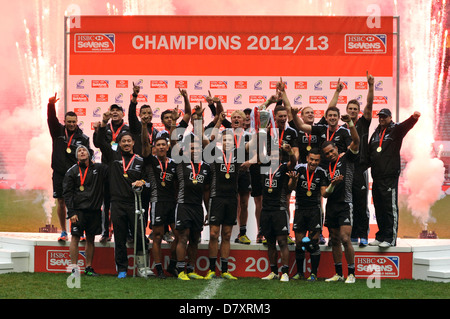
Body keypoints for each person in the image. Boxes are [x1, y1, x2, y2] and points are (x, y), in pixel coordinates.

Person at [95, 110, 148, 279]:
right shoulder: (112, 156)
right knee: (119, 237)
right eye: (123, 141)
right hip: (117, 203)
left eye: (129, 141)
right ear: (119, 143)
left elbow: (148, 181)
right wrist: (103, 123)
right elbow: (100, 142)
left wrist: (143, 182)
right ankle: (122, 269)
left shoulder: (140, 160)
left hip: (135, 203)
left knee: (139, 237)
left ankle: (142, 267)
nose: (126, 143)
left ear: (133, 143)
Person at [368, 108, 420, 248]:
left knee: (389, 207)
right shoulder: (375, 134)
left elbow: (404, 126)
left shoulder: (395, 130)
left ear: (390, 117)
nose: (382, 119)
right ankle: (380, 236)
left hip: (389, 176)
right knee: (379, 207)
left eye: (385, 116)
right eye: (380, 116)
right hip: (377, 177)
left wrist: (413, 118)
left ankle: (390, 238)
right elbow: (370, 154)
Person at [319, 113, 360, 284]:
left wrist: (350, 122)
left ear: (336, 148)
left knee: (345, 238)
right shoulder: (324, 168)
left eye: (331, 151)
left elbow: (356, 141)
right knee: (334, 239)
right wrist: (332, 185)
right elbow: (324, 193)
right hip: (332, 206)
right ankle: (338, 273)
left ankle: (351, 273)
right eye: (327, 154)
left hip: (345, 203)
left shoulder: (347, 158)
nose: (330, 155)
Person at [47, 93, 92, 242]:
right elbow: (51, 119)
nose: (71, 124)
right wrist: (51, 105)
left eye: (74, 121)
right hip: (59, 173)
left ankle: (80, 231)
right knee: (60, 201)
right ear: (64, 121)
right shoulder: (57, 132)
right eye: (69, 121)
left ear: (77, 122)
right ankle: (64, 231)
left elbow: (88, 154)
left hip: (76, 173)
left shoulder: (83, 138)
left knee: (78, 202)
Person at [171, 126, 211, 280]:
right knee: (183, 236)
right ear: (186, 149)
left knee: (195, 238)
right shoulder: (180, 162)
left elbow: (206, 191)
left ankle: (191, 269)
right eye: (191, 148)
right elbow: (173, 143)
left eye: (197, 148)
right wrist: (174, 123)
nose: (194, 150)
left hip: (197, 207)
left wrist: (207, 210)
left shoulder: (206, 167)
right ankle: (181, 270)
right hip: (183, 205)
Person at [204, 123, 242, 280]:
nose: (227, 143)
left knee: (226, 234)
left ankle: (225, 270)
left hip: (231, 199)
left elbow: (253, 147)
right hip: (216, 198)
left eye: (230, 140)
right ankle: (211, 269)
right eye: (224, 140)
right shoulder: (215, 154)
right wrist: (217, 120)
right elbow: (205, 141)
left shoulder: (238, 156)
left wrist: (261, 125)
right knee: (214, 234)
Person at [63, 145, 108, 277]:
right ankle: (74, 268)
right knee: (75, 238)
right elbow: (67, 193)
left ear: (89, 154)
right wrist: (71, 212)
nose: (82, 152)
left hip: (94, 211)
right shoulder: (71, 171)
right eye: (79, 151)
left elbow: (112, 166)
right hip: (78, 211)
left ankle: (88, 267)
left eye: (84, 150)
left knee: (90, 239)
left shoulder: (99, 169)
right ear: (76, 156)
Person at [142, 121, 178, 279]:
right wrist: (144, 126)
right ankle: (159, 269)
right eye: (158, 145)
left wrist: (174, 125)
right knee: (157, 236)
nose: (161, 147)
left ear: (168, 147)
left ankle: (172, 264)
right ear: (154, 148)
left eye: (164, 144)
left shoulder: (174, 163)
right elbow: (144, 143)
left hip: (173, 203)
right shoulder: (150, 161)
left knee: (179, 235)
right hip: (157, 202)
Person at [288, 148, 328, 281]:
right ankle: (300, 273)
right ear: (307, 158)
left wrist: (332, 185)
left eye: (316, 160)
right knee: (299, 242)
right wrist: (294, 180)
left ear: (319, 161)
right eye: (311, 159)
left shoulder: (322, 172)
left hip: (314, 210)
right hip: (300, 209)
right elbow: (291, 187)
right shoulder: (299, 169)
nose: (313, 162)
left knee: (313, 242)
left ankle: (314, 274)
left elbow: (323, 193)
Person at [93, 104, 130, 244]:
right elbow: (97, 144)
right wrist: (101, 125)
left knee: (124, 202)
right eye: (112, 110)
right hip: (107, 169)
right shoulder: (105, 127)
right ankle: (106, 232)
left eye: (117, 111)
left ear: (122, 114)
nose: (114, 113)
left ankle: (127, 233)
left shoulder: (128, 129)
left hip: (123, 169)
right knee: (106, 202)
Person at [260, 142, 296, 282]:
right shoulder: (264, 168)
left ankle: (285, 272)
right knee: (270, 242)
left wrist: (290, 151)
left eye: (277, 154)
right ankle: (274, 271)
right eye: (271, 154)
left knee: (282, 242)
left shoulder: (283, 167)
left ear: (280, 156)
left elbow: (293, 162)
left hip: (280, 210)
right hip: (266, 210)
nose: (274, 157)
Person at [345, 71, 374, 247]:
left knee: (361, 204)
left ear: (359, 112)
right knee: (348, 203)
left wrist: (371, 86)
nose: (353, 111)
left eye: (356, 109)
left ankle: (363, 234)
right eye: (351, 109)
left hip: (361, 169)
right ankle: (352, 233)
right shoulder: (342, 127)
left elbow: (369, 105)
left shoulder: (363, 123)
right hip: (347, 169)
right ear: (346, 111)